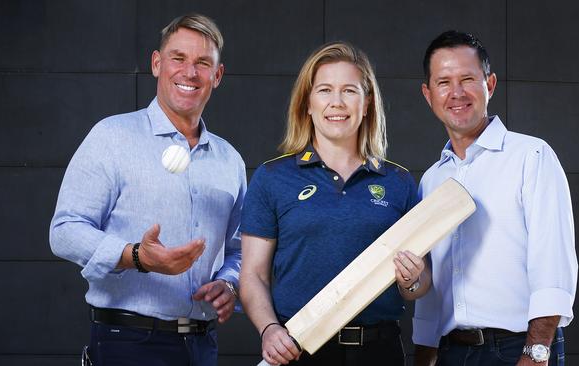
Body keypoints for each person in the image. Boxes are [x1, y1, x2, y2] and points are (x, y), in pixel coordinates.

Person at [49, 14, 245, 366]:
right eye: (178, 58)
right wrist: (136, 256)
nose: (190, 73)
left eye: (203, 63)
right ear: (157, 64)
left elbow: (240, 249)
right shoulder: (112, 136)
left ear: (217, 76)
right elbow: (64, 231)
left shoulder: (230, 160)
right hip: (127, 343)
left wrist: (228, 285)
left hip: (203, 346)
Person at [239, 42, 430, 366]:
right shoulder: (272, 178)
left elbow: (420, 286)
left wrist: (413, 278)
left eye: (350, 91)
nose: (337, 103)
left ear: (367, 103)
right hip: (299, 350)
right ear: (308, 103)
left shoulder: (398, 183)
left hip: (379, 351)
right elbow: (253, 275)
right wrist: (269, 329)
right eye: (325, 90)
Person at [412, 31, 578, 366]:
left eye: (467, 79)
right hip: (451, 353)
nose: (456, 93)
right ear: (428, 95)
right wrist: (425, 355)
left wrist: (536, 353)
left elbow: (553, 264)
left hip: (518, 350)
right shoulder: (431, 180)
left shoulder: (531, 156)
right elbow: (433, 290)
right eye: (443, 82)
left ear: (489, 84)